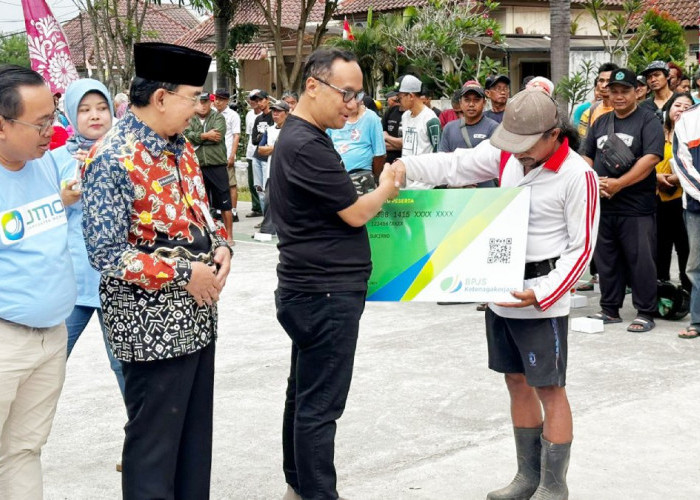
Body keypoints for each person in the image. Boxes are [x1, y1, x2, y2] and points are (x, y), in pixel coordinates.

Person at [394, 89, 600, 500]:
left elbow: (582, 250)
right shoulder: (508, 154)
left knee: (549, 388)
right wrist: (404, 166)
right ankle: (527, 477)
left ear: (553, 135)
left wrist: (541, 292)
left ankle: (553, 487)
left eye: (526, 146)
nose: (517, 154)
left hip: (541, 296)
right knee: (515, 381)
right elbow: (456, 165)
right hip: (499, 286)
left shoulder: (579, 175)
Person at [81, 42, 232, 499]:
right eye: (194, 97)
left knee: (192, 444)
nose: (200, 107)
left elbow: (200, 213)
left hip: (197, 320)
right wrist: (184, 274)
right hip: (151, 330)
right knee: (153, 449)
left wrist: (222, 245)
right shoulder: (112, 157)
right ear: (162, 97)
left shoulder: (181, 148)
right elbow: (105, 253)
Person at [269, 48, 400, 500]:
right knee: (321, 405)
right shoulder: (305, 143)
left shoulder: (307, 136)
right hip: (323, 294)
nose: (352, 104)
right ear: (312, 86)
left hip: (311, 290)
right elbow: (356, 212)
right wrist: (387, 185)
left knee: (304, 394)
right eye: (346, 93)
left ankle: (297, 484)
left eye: (358, 95)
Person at [0, 64, 77, 500]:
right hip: (5, 338)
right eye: (42, 122)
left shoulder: (46, 164)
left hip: (50, 339)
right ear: (2, 126)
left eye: (54, 117)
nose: (53, 130)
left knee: (24, 449)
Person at [49, 78, 126, 395]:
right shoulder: (55, 161)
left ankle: (145, 440)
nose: (94, 115)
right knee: (48, 364)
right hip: (73, 282)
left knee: (125, 367)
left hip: (119, 280)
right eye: (84, 109)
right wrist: (64, 200)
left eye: (100, 108)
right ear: (69, 114)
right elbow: (44, 219)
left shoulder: (128, 156)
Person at [582, 68, 664, 332]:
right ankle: (609, 309)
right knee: (607, 259)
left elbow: (651, 158)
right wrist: (594, 182)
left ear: (637, 92)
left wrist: (619, 183)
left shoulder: (648, 120)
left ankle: (645, 311)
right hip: (604, 204)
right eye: (613, 91)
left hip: (637, 206)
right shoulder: (600, 123)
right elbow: (586, 156)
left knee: (640, 259)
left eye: (624, 91)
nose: (618, 97)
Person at [185, 92, 234, 243]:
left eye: (206, 102)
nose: (203, 105)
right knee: (201, 202)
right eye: (200, 102)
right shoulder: (190, 119)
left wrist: (198, 136)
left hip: (217, 164)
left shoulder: (218, 117)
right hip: (197, 166)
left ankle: (230, 235)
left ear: (210, 103)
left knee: (225, 201)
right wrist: (206, 136)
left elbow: (218, 136)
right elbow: (186, 134)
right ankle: (207, 236)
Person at [655, 92, 693, 292]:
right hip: (657, 196)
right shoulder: (656, 132)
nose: (681, 110)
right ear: (669, 108)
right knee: (660, 246)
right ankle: (662, 289)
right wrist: (656, 177)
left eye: (687, 107)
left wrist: (679, 178)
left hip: (683, 198)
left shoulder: (694, 136)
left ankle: (687, 290)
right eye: (677, 105)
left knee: (684, 247)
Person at [327, 93, 386, 193]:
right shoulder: (333, 117)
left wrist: (375, 178)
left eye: (355, 99)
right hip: (336, 175)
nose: (352, 104)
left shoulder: (371, 118)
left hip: (362, 175)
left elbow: (380, 155)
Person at [256, 100, 290, 236]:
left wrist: (272, 149)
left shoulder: (291, 129)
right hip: (272, 171)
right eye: (274, 111)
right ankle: (268, 229)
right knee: (269, 199)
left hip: (289, 171)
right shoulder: (269, 130)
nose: (275, 114)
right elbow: (260, 150)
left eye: (279, 111)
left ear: (287, 114)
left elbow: (288, 148)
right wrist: (276, 147)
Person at [438, 80, 498, 157]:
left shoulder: (493, 128)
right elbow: (442, 160)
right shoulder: (449, 129)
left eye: (476, 100)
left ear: (484, 103)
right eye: (467, 100)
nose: (471, 104)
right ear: (460, 103)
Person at [213, 87, 241, 223]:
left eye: (221, 99)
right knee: (218, 184)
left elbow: (236, 136)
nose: (218, 102)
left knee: (231, 184)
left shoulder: (232, 115)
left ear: (227, 101)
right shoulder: (211, 114)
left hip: (227, 153)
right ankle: (219, 210)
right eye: (216, 99)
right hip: (214, 156)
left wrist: (232, 155)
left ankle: (233, 211)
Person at [398, 74, 441, 159]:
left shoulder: (431, 119)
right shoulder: (405, 116)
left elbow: (438, 151)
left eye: (400, 98)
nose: (399, 102)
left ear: (410, 96)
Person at [578, 62, 619, 139]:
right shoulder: (590, 112)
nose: (604, 86)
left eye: (608, 81)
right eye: (601, 81)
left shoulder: (624, 110)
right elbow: (583, 141)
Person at [251, 90, 274, 213]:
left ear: (267, 100)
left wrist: (262, 136)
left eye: (261, 100)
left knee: (267, 188)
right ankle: (264, 216)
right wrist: (262, 136)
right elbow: (254, 140)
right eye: (257, 101)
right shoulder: (258, 118)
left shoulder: (274, 116)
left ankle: (271, 219)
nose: (259, 103)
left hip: (268, 157)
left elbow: (272, 137)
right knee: (259, 188)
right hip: (257, 156)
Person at [245, 90, 263, 217]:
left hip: (263, 152)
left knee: (263, 184)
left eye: (257, 99)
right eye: (252, 99)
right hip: (251, 152)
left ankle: (264, 209)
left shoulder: (267, 114)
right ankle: (256, 207)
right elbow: (248, 135)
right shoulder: (249, 115)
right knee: (252, 183)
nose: (255, 102)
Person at [382, 90, 403, 164]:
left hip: (404, 161)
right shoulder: (390, 111)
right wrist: (398, 144)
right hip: (388, 161)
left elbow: (406, 144)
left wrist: (387, 138)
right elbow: (381, 143)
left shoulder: (409, 115)